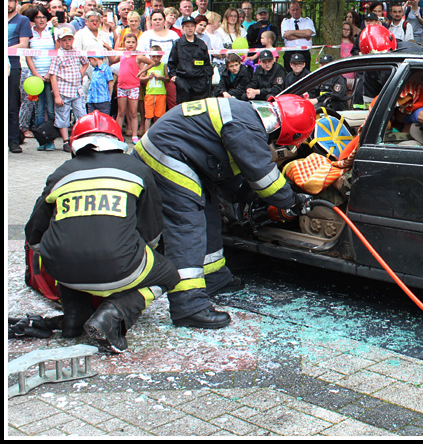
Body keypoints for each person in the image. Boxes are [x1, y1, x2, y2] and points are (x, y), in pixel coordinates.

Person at [133, 95, 316, 328]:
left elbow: (229, 172)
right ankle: (188, 306)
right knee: (187, 224)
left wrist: (246, 194)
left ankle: (213, 277)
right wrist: (291, 200)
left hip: (178, 153)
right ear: (289, 134)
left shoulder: (247, 115)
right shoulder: (247, 127)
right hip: (167, 155)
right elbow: (265, 179)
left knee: (208, 213)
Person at [25, 111, 180, 352]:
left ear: (76, 143)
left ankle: (74, 318)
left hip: (61, 270)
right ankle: (114, 313)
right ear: (118, 141)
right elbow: (151, 231)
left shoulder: (61, 173)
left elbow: (34, 233)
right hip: (119, 266)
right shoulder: (137, 170)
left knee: (68, 249)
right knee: (169, 274)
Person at [48, 27, 89, 153]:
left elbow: (86, 62)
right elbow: (53, 75)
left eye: (69, 39)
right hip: (64, 90)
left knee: (81, 114)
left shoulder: (76, 51)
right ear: (60, 41)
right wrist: (56, 95)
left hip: (77, 90)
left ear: (73, 40)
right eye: (64, 40)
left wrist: (81, 71)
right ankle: (66, 140)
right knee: (63, 116)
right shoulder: (57, 55)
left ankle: (81, 137)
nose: (67, 42)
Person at [24, 6, 58, 142]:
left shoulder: (52, 32)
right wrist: (35, 73)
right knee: (38, 109)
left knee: (50, 109)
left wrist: (50, 72)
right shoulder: (30, 33)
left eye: (43, 17)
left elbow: (56, 53)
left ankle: (50, 139)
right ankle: (41, 140)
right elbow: (28, 55)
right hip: (36, 78)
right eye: (38, 17)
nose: (41, 20)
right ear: (34, 19)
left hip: (50, 75)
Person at [112, 33, 148, 144]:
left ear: (136, 43)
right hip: (122, 86)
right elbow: (113, 59)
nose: (130, 44)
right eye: (128, 42)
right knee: (121, 112)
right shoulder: (122, 54)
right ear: (124, 43)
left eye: (133, 42)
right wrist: (109, 48)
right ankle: (117, 135)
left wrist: (142, 72)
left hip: (133, 87)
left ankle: (134, 135)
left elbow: (150, 62)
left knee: (133, 113)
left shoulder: (138, 55)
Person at [167, 16, 212, 104]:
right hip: (183, 82)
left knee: (200, 110)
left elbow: (207, 64)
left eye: (191, 26)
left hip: (199, 83)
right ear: (183, 28)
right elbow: (172, 62)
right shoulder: (177, 44)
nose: (190, 28)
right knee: (184, 110)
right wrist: (174, 77)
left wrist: (206, 79)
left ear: (195, 27)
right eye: (187, 26)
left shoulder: (201, 44)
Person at [138, 45, 169, 133]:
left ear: (161, 56)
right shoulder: (147, 66)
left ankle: (158, 133)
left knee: (160, 116)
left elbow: (168, 79)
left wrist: (161, 77)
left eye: (158, 56)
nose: (155, 59)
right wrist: (148, 77)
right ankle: (146, 134)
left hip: (161, 93)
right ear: (150, 56)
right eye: (153, 56)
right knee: (148, 116)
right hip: (150, 93)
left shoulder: (163, 65)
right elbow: (140, 78)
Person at [280, 1, 316, 70]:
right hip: (290, 52)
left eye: (297, 9)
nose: (295, 12)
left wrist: (291, 32)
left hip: (304, 53)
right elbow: (287, 35)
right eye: (293, 10)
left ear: (301, 9)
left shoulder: (308, 21)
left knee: (306, 75)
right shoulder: (286, 21)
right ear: (289, 11)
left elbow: (308, 33)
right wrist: (304, 35)